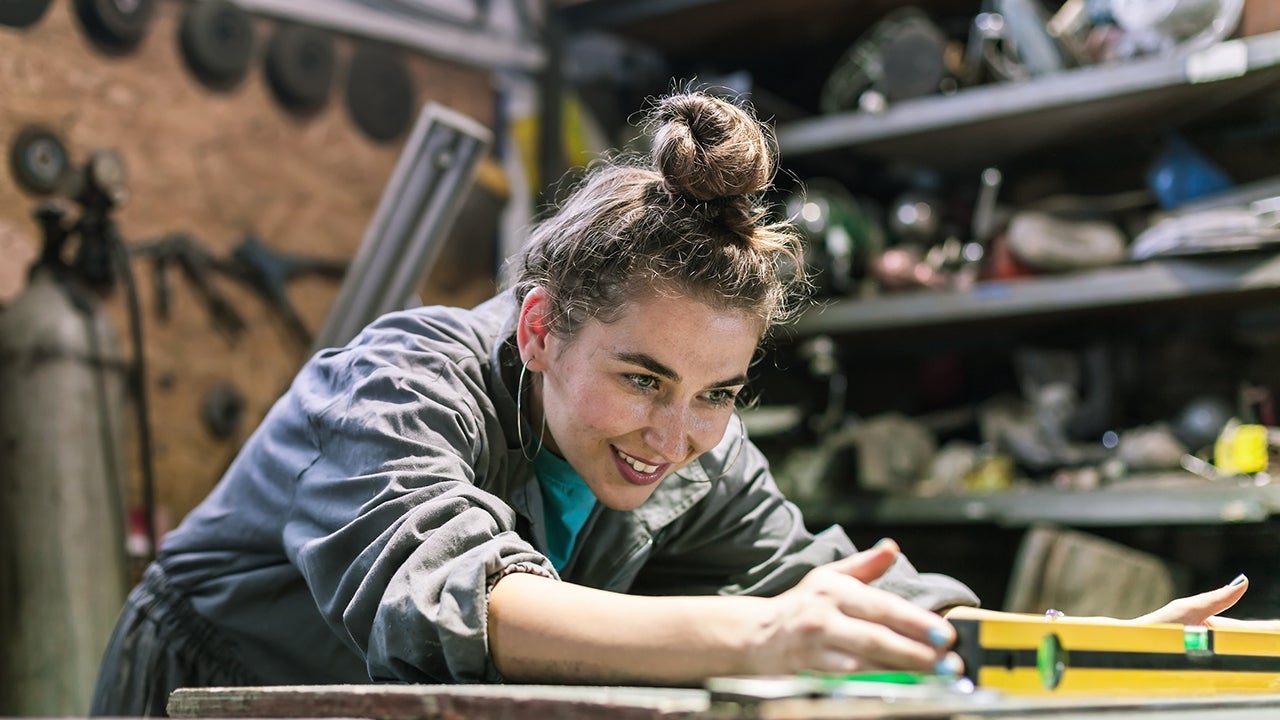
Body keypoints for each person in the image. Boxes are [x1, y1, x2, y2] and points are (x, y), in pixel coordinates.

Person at [90, 89, 1265, 716]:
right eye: (642, 379)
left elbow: (822, 579)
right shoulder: (391, 387)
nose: (675, 437)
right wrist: (758, 639)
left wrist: (1050, 652)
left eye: (717, 392)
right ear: (543, 327)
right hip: (205, 693)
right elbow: (453, 603)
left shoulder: (699, 446)